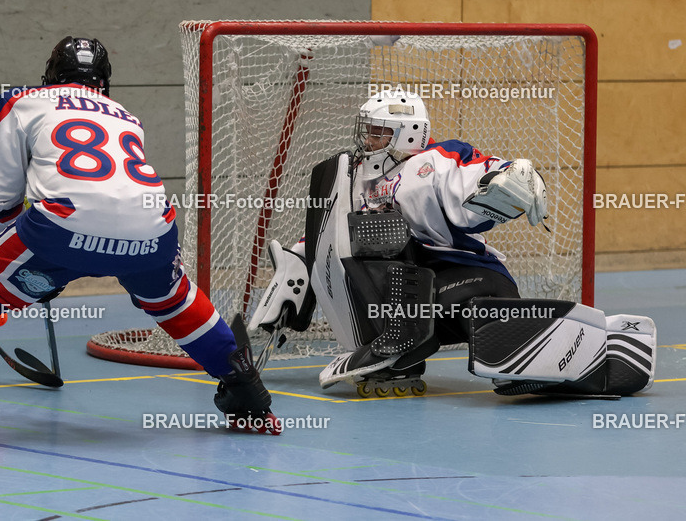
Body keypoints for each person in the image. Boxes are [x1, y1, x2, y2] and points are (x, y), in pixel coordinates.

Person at [0, 36, 280, 445]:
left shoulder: (20, 100)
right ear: (103, 81)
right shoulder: (126, 115)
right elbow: (115, 198)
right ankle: (249, 391)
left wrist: (34, 262)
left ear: (51, 74)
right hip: (155, 229)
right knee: (174, 300)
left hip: (61, 227)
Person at [251, 90, 655, 399]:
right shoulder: (354, 179)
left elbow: (485, 170)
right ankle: (396, 353)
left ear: (407, 134)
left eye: (379, 131)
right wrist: (295, 271)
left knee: (500, 350)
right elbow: (326, 237)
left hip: (469, 280)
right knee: (376, 256)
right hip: (405, 296)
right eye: (368, 130)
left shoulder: (435, 161)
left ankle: (597, 347)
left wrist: (511, 180)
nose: (369, 139)